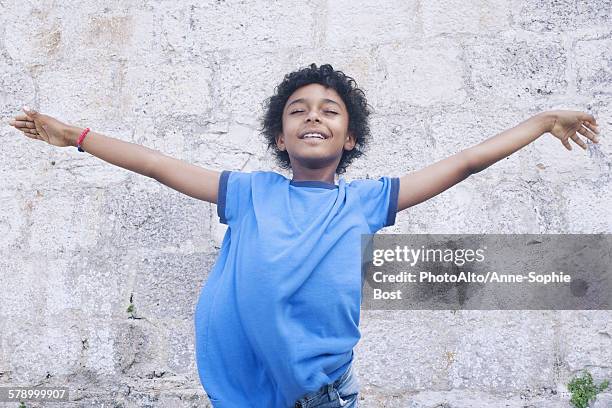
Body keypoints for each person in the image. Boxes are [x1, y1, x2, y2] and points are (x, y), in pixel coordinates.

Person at [8, 63, 600, 408]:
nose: (313, 115)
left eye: (329, 110)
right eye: (298, 110)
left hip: (322, 393)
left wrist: (542, 122)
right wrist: (75, 135)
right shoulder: (247, 191)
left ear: (349, 139)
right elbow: (155, 163)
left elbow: (467, 161)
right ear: (279, 138)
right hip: (244, 391)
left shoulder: (367, 199)